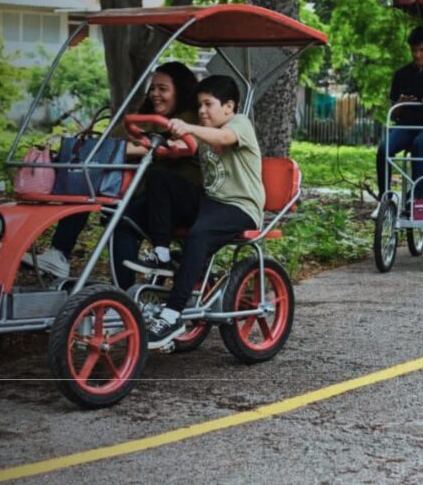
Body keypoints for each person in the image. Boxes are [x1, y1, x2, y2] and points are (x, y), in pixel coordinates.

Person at [22, 61, 201, 288]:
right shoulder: (145, 117)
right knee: (86, 184)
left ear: (180, 91)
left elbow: (173, 146)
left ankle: (121, 291)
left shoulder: (189, 119)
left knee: (122, 216)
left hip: (174, 198)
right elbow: (109, 142)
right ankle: (60, 254)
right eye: (152, 88)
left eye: (163, 89)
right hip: (138, 191)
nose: (155, 94)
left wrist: (122, 150)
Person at [125, 75, 265, 349]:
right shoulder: (202, 131)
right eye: (199, 105)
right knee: (159, 177)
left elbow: (223, 138)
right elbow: (174, 148)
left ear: (228, 106)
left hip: (241, 206)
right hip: (211, 201)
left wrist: (188, 126)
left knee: (198, 235)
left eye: (208, 104)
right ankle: (162, 254)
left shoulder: (239, 124)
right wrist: (149, 144)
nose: (201, 111)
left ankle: (173, 314)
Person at [374, 26, 423, 215]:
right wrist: (399, 104)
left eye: (422, 50)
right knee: (384, 150)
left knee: (420, 143)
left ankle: (416, 196)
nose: (418, 55)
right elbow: (394, 114)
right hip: (407, 125)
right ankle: (385, 199)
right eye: (415, 50)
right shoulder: (401, 74)